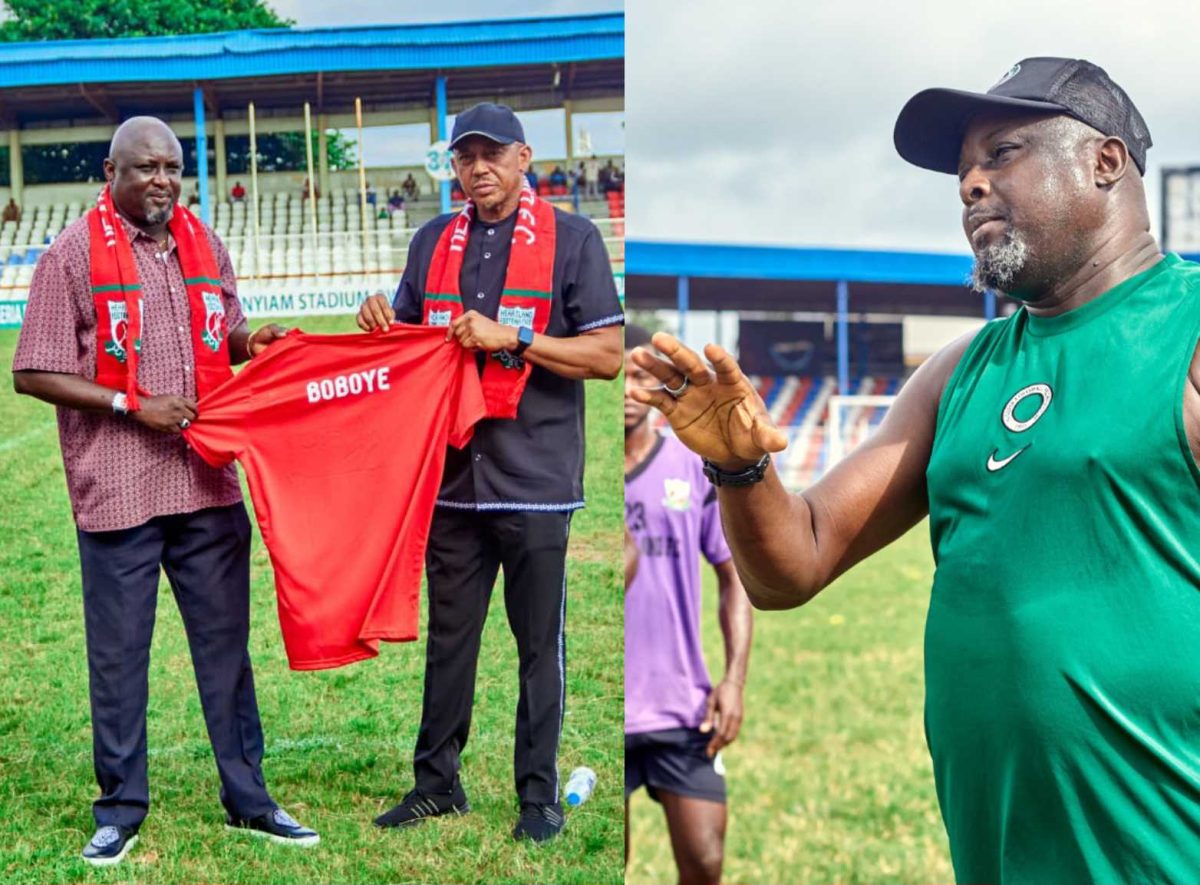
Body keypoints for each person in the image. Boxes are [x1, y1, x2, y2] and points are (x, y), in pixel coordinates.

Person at [631, 57, 1200, 885]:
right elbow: (796, 561)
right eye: (963, 169)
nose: (970, 184)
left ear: (1105, 162)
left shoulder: (1186, 332)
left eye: (1001, 153)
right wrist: (742, 468)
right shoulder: (959, 372)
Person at [11, 116, 314, 867]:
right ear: (110, 172)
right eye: (145, 167)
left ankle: (250, 797)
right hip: (119, 488)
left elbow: (226, 331)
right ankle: (118, 808)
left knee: (226, 652)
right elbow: (31, 368)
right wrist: (127, 403)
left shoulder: (203, 242)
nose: (162, 180)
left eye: (172, 167)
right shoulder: (72, 253)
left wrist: (255, 343)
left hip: (207, 480)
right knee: (118, 658)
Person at [356, 101, 623, 843]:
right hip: (452, 477)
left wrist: (518, 336)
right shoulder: (432, 239)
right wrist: (382, 321)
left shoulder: (573, 238)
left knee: (539, 647)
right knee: (450, 639)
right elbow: (411, 347)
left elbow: (606, 356)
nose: (478, 168)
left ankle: (537, 796)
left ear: (523, 158)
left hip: (536, 478)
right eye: (465, 156)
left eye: (492, 154)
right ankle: (436, 784)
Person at [623, 325, 752, 885]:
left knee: (704, 863)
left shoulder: (688, 465)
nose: (630, 390)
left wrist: (734, 681)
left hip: (682, 707)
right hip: (609, 711)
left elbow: (734, 578)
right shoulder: (577, 467)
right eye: (620, 377)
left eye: (642, 378)